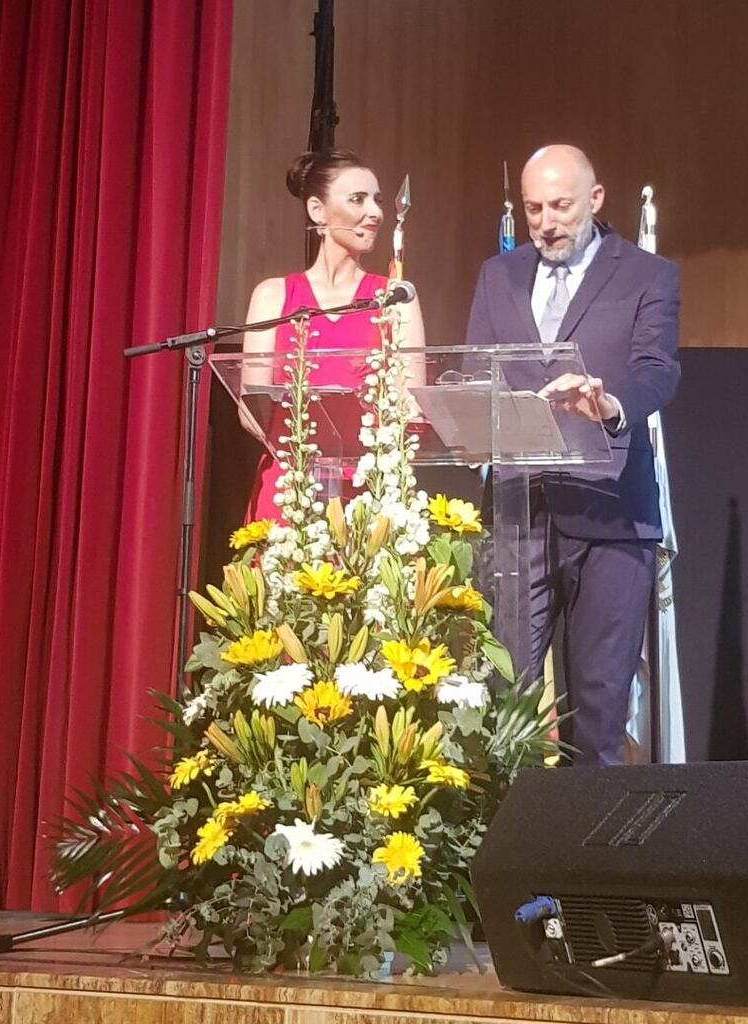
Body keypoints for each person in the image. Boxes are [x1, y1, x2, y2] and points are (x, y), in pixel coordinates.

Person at [464, 144, 680, 765]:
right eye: (534, 210)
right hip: (518, 510)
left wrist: (608, 404)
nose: (547, 223)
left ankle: (591, 861)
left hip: (611, 513)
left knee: (598, 708)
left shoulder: (647, 275)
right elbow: (477, 370)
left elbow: (657, 372)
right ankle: (508, 852)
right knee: (503, 705)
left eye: (560, 206)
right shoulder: (496, 275)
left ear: (596, 199)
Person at [242, 148, 425, 520]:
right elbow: (251, 409)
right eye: (357, 199)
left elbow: (411, 408)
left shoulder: (395, 297)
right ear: (317, 211)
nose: (374, 212)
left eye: (376, 200)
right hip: (288, 492)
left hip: (366, 495)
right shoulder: (273, 295)